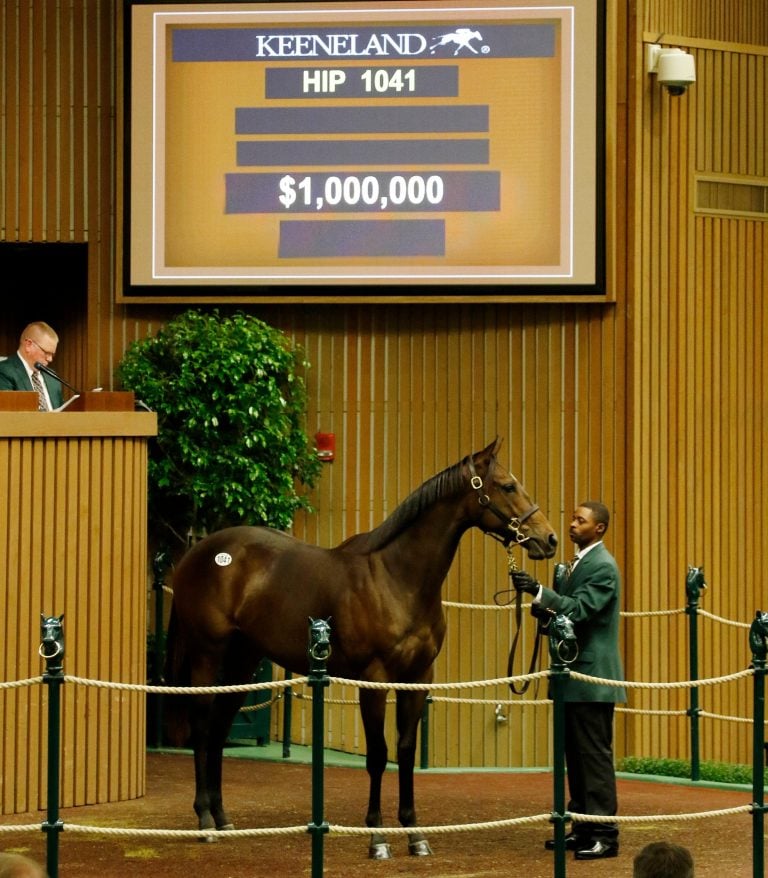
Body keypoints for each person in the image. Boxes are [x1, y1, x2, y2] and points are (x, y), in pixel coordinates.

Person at [511, 500, 626, 861]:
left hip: (591, 676)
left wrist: (540, 592)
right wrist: (543, 607)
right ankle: (582, 827)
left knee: (592, 756)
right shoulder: (577, 564)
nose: (573, 525)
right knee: (574, 757)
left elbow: (579, 609)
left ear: (600, 528)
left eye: (581, 520)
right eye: (573, 518)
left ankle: (605, 834)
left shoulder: (603, 566)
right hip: (573, 676)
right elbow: (568, 613)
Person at [0, 322, 63, 410]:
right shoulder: (4, 371)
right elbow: (7, 416)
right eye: (46, 353)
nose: (50, 359)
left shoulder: (52, 377)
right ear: (28, 345)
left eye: (52, 354)